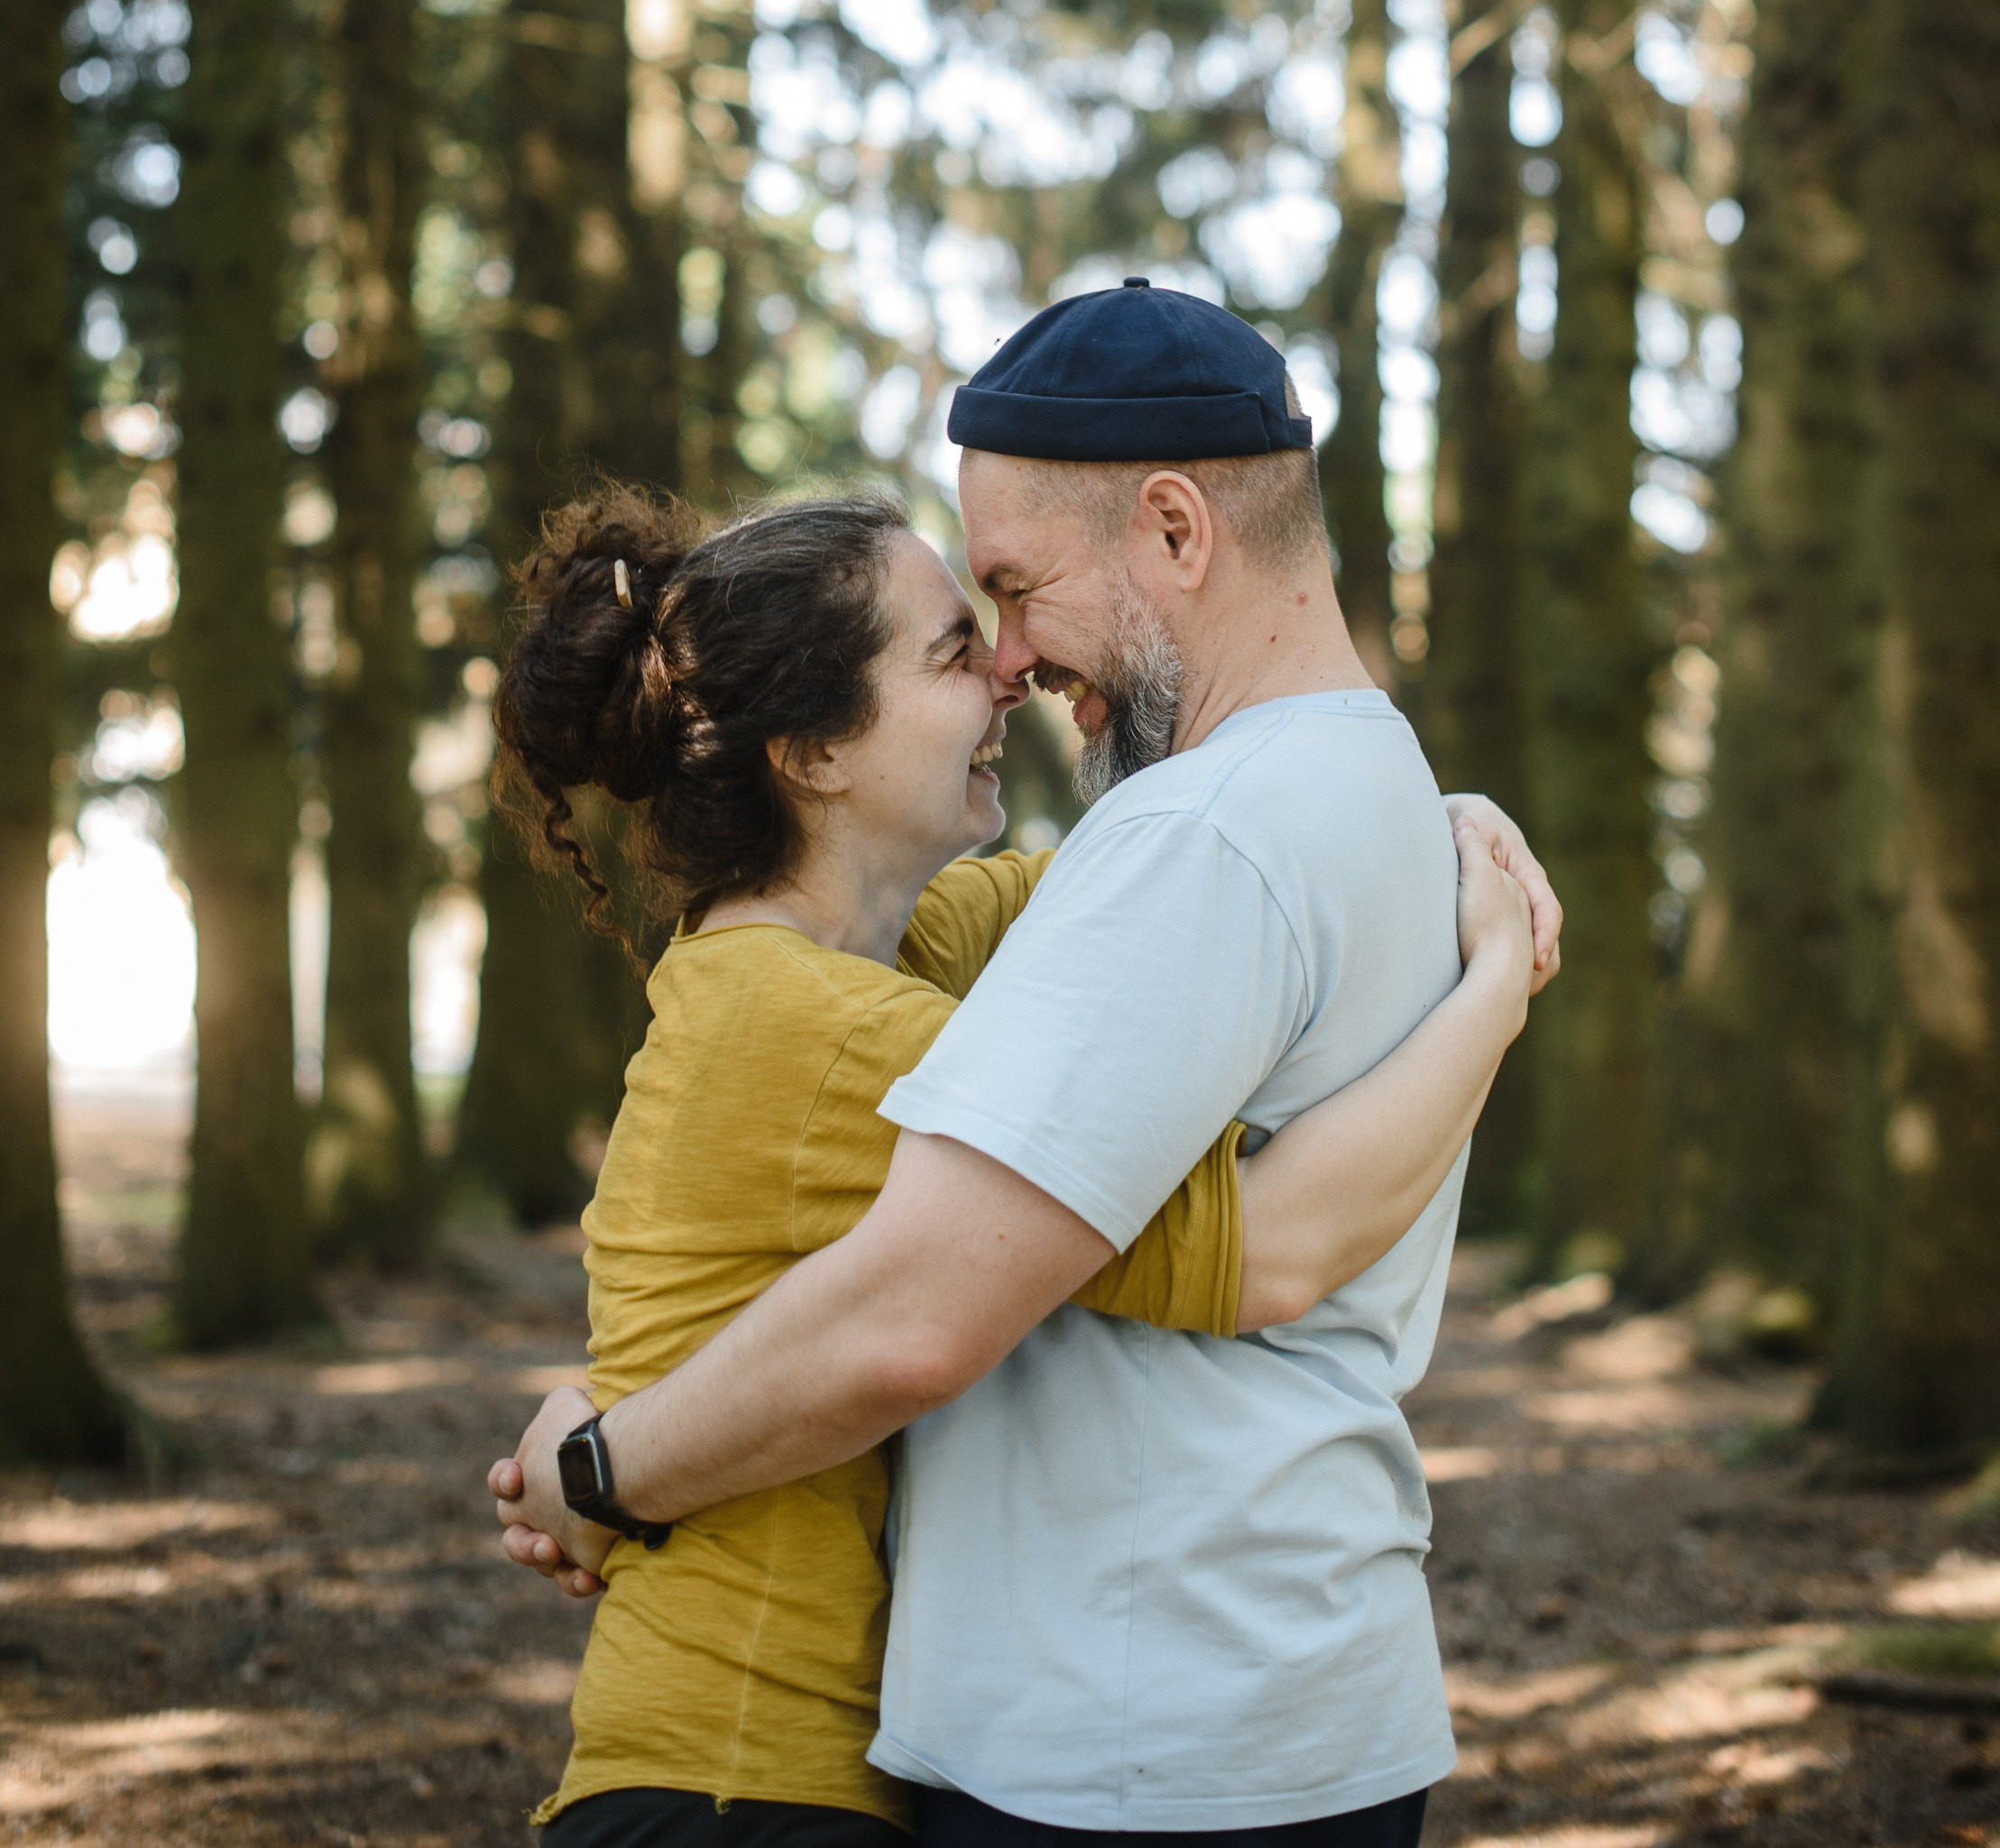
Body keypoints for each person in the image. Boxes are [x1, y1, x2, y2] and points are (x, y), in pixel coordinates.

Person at [498, 280, 1563, 1848]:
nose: (1007, 662)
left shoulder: (1152, 855)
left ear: (1178, 531)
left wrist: (599, 1464)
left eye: (1008, 590)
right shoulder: (1293, 806)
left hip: (1141, 1730)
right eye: (959, 637)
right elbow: (1202, 1206)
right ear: (809, 751)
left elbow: (947, 1301)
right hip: (867, 1753)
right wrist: (1481, 944)